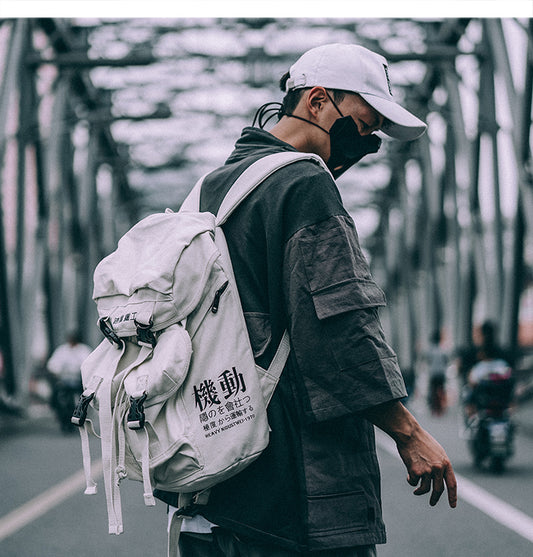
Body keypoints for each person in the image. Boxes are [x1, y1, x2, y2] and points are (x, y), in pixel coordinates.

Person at [158, 43, 457, 556]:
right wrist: (407, 432)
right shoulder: (303, 182)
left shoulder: (212, 189)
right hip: (293, 502)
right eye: (364, 127)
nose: (367, 145)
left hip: (210, 492)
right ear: (317, 101)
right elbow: (338, 328)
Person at [47, 331, 92, 431]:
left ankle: (81, 413)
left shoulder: (83, 350)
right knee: (55, 396)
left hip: (78, 381)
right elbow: (53, 364)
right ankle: (57, 411)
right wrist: (55, 371)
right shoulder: (62, 350)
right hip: (64, 380)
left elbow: (87, 364)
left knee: (84, 398)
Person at [425, 330, 449, 415]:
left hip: (433, 373)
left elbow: (428, 360)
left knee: (433, 391)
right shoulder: (443, 350)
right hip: (441, 373)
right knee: (441, 390)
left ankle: (434, 408)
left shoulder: (430, 350)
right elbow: (446, 361)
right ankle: (441, 408)